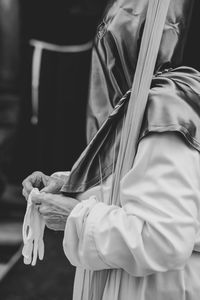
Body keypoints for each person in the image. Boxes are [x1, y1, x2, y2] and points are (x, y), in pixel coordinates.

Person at [22, 0, 200, 299]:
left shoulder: (166, 108)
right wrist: (75, 186)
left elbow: (163, 239)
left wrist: (75, 215)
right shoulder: (177, 98)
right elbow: (151, 187)